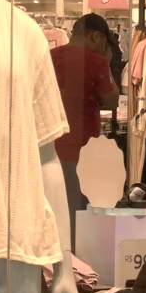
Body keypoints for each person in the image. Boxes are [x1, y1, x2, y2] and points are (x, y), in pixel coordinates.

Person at [49, 13, 120, 237]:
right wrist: (107, 64)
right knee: (78, 218)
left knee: (53, 213)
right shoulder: (95, 62)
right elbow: (112, 100)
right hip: (81, 150)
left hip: (47, 148)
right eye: (106, 44)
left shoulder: (49, 57)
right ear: (96, 37)